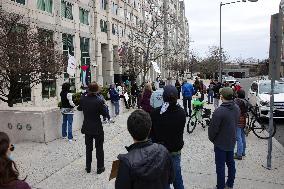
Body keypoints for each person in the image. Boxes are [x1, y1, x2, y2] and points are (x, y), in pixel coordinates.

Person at [115, 110, 174, 189]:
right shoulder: (163, 150)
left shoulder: (126, 163)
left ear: (129, 131)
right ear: (150, 129)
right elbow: (170, 178)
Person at [151, 85, 186, 189]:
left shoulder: (156, 113)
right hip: (175, 150)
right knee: (177, 177)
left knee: (164, 180)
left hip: (160, 152)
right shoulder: (181, 113)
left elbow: (151, 133)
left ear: (163, 97)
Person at [208, 87, 240, 189]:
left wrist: (213, 139)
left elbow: (213, 130)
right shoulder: (237, 108)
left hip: (220, 143)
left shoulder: (219, 111)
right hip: (231, 141)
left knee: (220, 167)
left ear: (222, 96)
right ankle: (230, 184)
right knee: (231, 164)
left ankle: (220, 186)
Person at [77, 82, 108, 174]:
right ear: (97, 90)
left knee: (88, 148)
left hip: (87, 127)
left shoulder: (83, 99)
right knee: (99, 148)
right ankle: (100, 168)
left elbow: (79, 108)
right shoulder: (99, 100)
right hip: (97, 128)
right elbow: (105, 114)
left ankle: (88, 167)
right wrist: (104, 105)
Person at [234, 89, 249, 160]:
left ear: (238, 94)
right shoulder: (245, 101)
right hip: (243, 120)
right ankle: (243, 152)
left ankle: (239, 154)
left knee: (238, 138)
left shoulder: (237, 101)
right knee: (242, 137)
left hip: (238, 121)